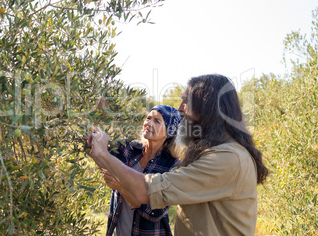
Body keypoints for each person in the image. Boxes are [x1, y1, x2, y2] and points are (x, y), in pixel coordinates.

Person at [86, 74, 269, 235]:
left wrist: (102, 154)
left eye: (186, 101)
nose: (180, 108)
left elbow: (145, 193)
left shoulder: (227, 159)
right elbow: (173, 146)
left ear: (208, 109)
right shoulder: (206, 150)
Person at [102, 105, 181, 236]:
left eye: (157, 121)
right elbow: (100, 150)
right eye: (148, 118)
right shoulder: (129, 149)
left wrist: (121, 187)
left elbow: (153, 213)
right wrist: (100, 113)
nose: (148, 123)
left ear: (169, 132)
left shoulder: (172, 165)